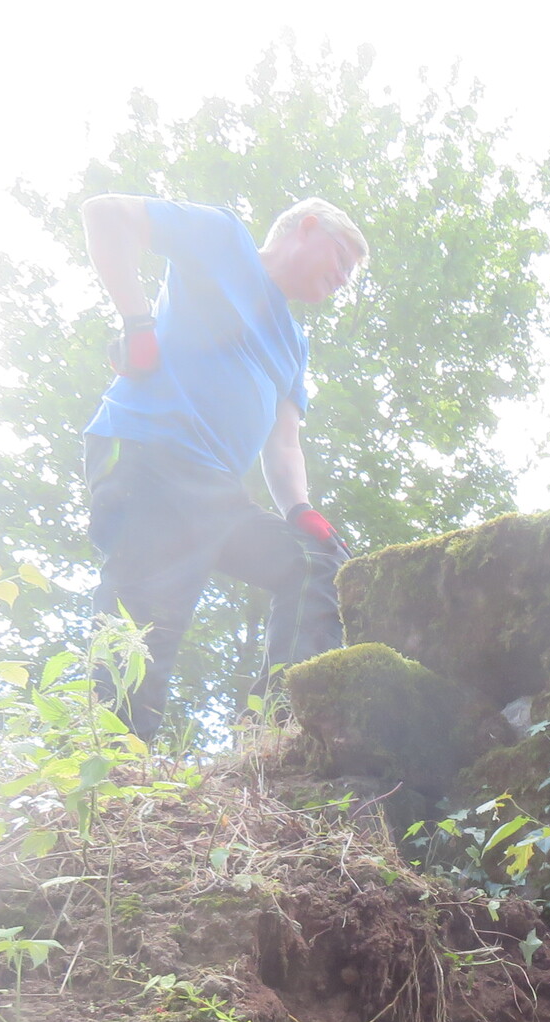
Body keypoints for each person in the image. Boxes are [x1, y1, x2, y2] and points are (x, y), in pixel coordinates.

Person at [80, 192, 369, 739]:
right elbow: (106, 214)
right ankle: (109, 763)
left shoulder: (294, 345)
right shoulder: (223, 239)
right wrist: (138, 324)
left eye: (349, 275)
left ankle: (283, 728)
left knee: (317, 564)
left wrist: (301, 510)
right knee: (148, 618)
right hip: (152, 456)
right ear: (307, 227)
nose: (343, 280)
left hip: (214, 493)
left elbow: (284, 443)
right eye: (342, 260)